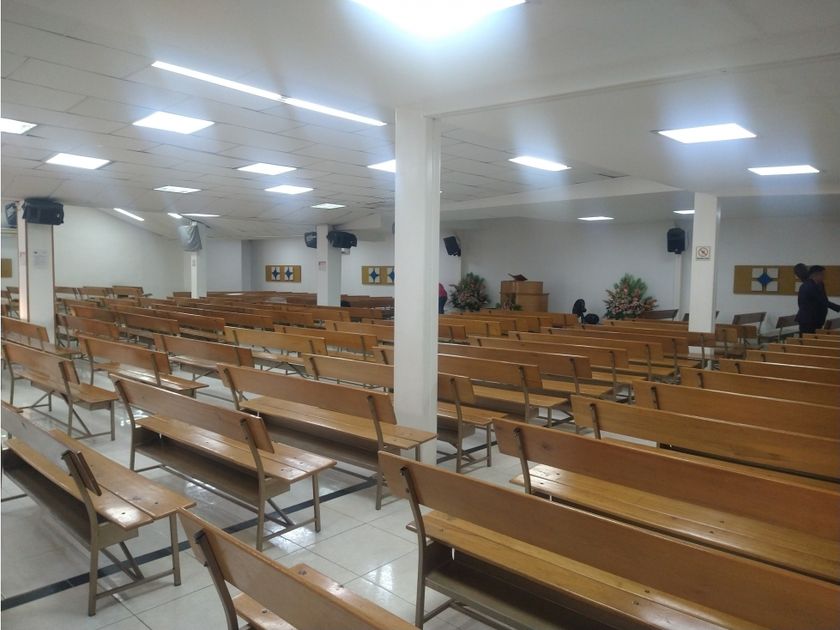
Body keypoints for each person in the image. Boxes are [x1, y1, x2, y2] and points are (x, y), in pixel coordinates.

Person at [796, 265, 840, 334]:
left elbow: (824, 300)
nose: (824, 276)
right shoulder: (808, 286)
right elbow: (823, 301)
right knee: (808, 340)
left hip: (817, 320)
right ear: (815, 275)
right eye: (822, 274)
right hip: (808, 320)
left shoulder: (820, 284)